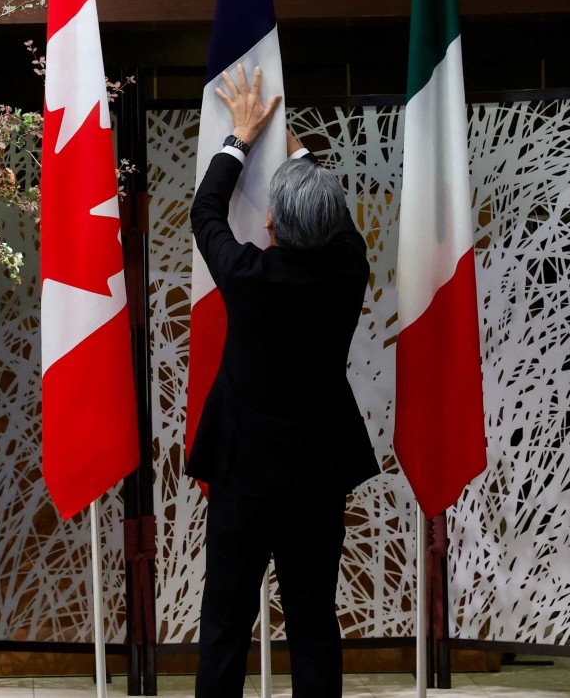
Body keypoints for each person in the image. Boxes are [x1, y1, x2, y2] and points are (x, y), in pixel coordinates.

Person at [188, 65, 380, 698]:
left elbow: (205, 210)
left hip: (244, 479)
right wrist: (295, 147)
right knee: (313, 627)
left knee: (224, 628)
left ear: (271, 225)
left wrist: (242, 138)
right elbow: (342, 222)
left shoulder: (249, 278)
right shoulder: (349, 271)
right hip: (318, 480)